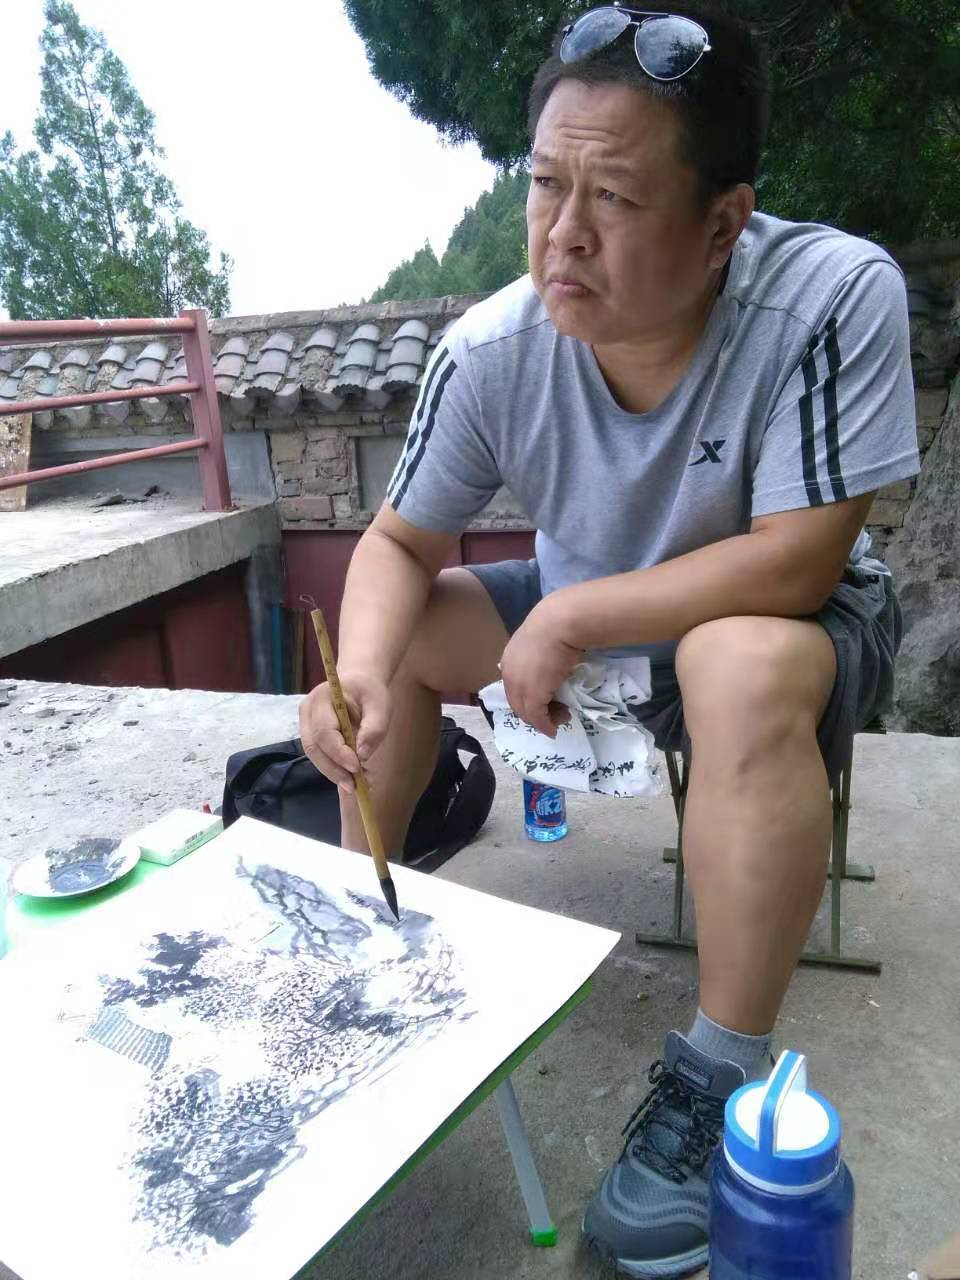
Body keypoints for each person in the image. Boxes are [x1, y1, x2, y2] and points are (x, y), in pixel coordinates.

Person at [300, 4, 919, 1275]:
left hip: (790, 616)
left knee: (733, 660)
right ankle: (370, 943)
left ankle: (719, 1083)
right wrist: (357, 676)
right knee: (400, 637)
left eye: (615, 198)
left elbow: (799, 558)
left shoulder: (831, 296)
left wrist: (573, 615)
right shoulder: (491, 349)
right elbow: (396, 544)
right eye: (545, 185)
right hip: (585, 590)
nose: (562, 233)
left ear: (723, 224)